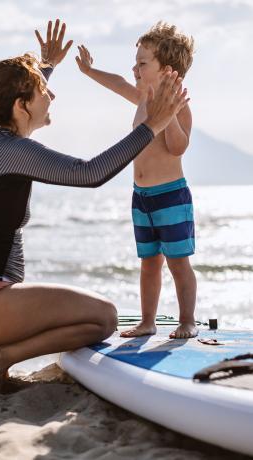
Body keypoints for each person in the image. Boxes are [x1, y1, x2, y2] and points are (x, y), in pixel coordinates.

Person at [0, 19, 189, 392]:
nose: (52, 96)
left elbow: (9, 95)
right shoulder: (9, 150)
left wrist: (45, 67)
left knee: (96, 316)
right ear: (22, 105)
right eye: (44, 91)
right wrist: (150, 126)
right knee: (105, 318)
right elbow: (89, 173)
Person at [76, 21, 197, 339]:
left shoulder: (180, 107)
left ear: (167, 69)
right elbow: (117, 82)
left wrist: (167, 113)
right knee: (149, 263)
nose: (135, 68)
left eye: (142, 63)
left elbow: (178, 147)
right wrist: (90, 71)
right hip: (141, 195)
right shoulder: (143, 98)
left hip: (170, 195)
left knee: (178, 263)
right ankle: (148, 321)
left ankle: (187, 321)